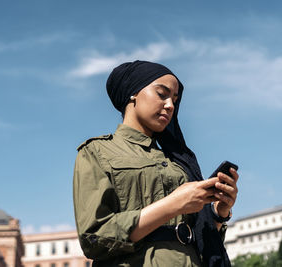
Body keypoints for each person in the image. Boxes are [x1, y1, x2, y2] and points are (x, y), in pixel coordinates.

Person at [73, 60, 239, 267]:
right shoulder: (97, 152)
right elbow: (94, 239)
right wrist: (173, 204)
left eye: (174, 100)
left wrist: (219, 213)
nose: (170, 105)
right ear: (132, 93)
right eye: (162, 94)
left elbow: (201, 240)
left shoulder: (179, 162)